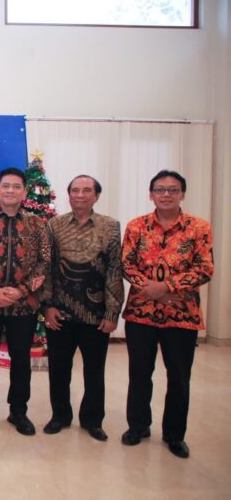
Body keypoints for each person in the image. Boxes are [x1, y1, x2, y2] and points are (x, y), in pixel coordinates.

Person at [120, 170, 213, 459]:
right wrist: (151, 289)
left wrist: (167, 286)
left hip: (181, 315)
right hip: (141, 314)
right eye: (160, 189)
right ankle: (138, 426)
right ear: (151, 194)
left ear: (182, 193)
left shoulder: (199, 228)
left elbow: (204, 268)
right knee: (139, 374)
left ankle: (174, 434)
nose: (166, 194)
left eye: (172, 190)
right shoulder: (137, 227)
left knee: (179, 378)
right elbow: (126, 263)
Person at [41, 175, 124, 441]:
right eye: (75, 190)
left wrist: (112, 313)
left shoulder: (110, 227)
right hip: (60, 313)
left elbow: (114, 271)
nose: (80, 194)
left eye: (86, 190)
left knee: (94, 371)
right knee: (59, 369)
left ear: (96, 195)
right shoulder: (54, 225)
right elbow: (48, 268)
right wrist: (48, 307)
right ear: (68, 195)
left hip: (95, 314)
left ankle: (92, 420)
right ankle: (60, 416)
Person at [0, 167, 50, 436]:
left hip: (23, 305)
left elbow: (44, 264)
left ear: (24, 192)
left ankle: (18, 411)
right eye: (6, 186)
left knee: (20, 360)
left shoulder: (37, 225)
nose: (11, 190)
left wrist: (22, 291)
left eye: (16, 186)